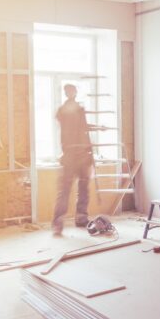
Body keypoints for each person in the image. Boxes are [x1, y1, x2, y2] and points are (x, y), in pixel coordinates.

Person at [52, 84, 94, 236]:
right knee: (65, 189)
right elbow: (66, 119)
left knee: (83, 187)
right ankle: (58, 222)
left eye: (72, 91)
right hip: (70, 155)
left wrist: (89, 150)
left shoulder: (79, 109)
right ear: (65, 93)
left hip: (82, 154)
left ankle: (81, 218)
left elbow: (83, 128)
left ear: (75, 92)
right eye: (67, 91)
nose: (70, 93)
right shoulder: (64, 110)